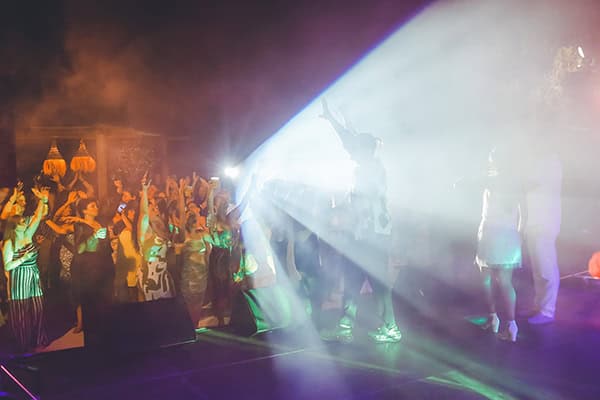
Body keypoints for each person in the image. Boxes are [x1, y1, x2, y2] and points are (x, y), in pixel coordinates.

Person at [320, 99, 401, 343]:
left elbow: (366, 198)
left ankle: (391, 327)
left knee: (378, 284)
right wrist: (335, 119)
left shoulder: (371, 168)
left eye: (356, 149)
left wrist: (347, 203)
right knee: (353, 279)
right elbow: (352, 138)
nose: (350, 151)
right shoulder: (368, 163)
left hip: (373, 235)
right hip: (363, 233)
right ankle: (346, 324)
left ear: (365, 150)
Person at [476, 148, 522, 342]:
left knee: (485, 277)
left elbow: (466, 182)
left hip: (492, 233)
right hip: (509, 234)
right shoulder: (516, 183)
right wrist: (518, 234)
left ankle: (493, 317)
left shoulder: (492, 180)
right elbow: (522, 214)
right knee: (505, 281)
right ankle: (511, 325)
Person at [2, 186, 49, 352]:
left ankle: (39, 339)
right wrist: (23, 258)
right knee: (21, 311)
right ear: (14, 226)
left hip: (33, 274)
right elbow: (7, 265)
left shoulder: (28, 235)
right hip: (20, 276)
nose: (24, 221)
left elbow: (37, 217)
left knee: (38, 307)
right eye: (21, 221)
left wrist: (42, 199)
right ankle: (24, 343)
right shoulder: (9, 243)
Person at [524, 141, 562, 325]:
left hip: (545, 222)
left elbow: (531, 183)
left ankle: (547, 311)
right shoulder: (537, 161)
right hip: (534, 221)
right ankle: (539, 306)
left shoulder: (551, 161)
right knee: (538, 268)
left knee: (546, 267)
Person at [71, 198, 115, 333]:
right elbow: (79, 249)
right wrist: (94, 237)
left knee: (106, 296)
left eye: (96, 205)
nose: (96, 208)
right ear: (84, 210)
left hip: (105, 263)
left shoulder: (101, 222)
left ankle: (105, 326)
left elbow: (106, 244)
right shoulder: (80, 226)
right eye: (92, 206)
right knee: (92, 298)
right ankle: (91, 327)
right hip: (90, 267)